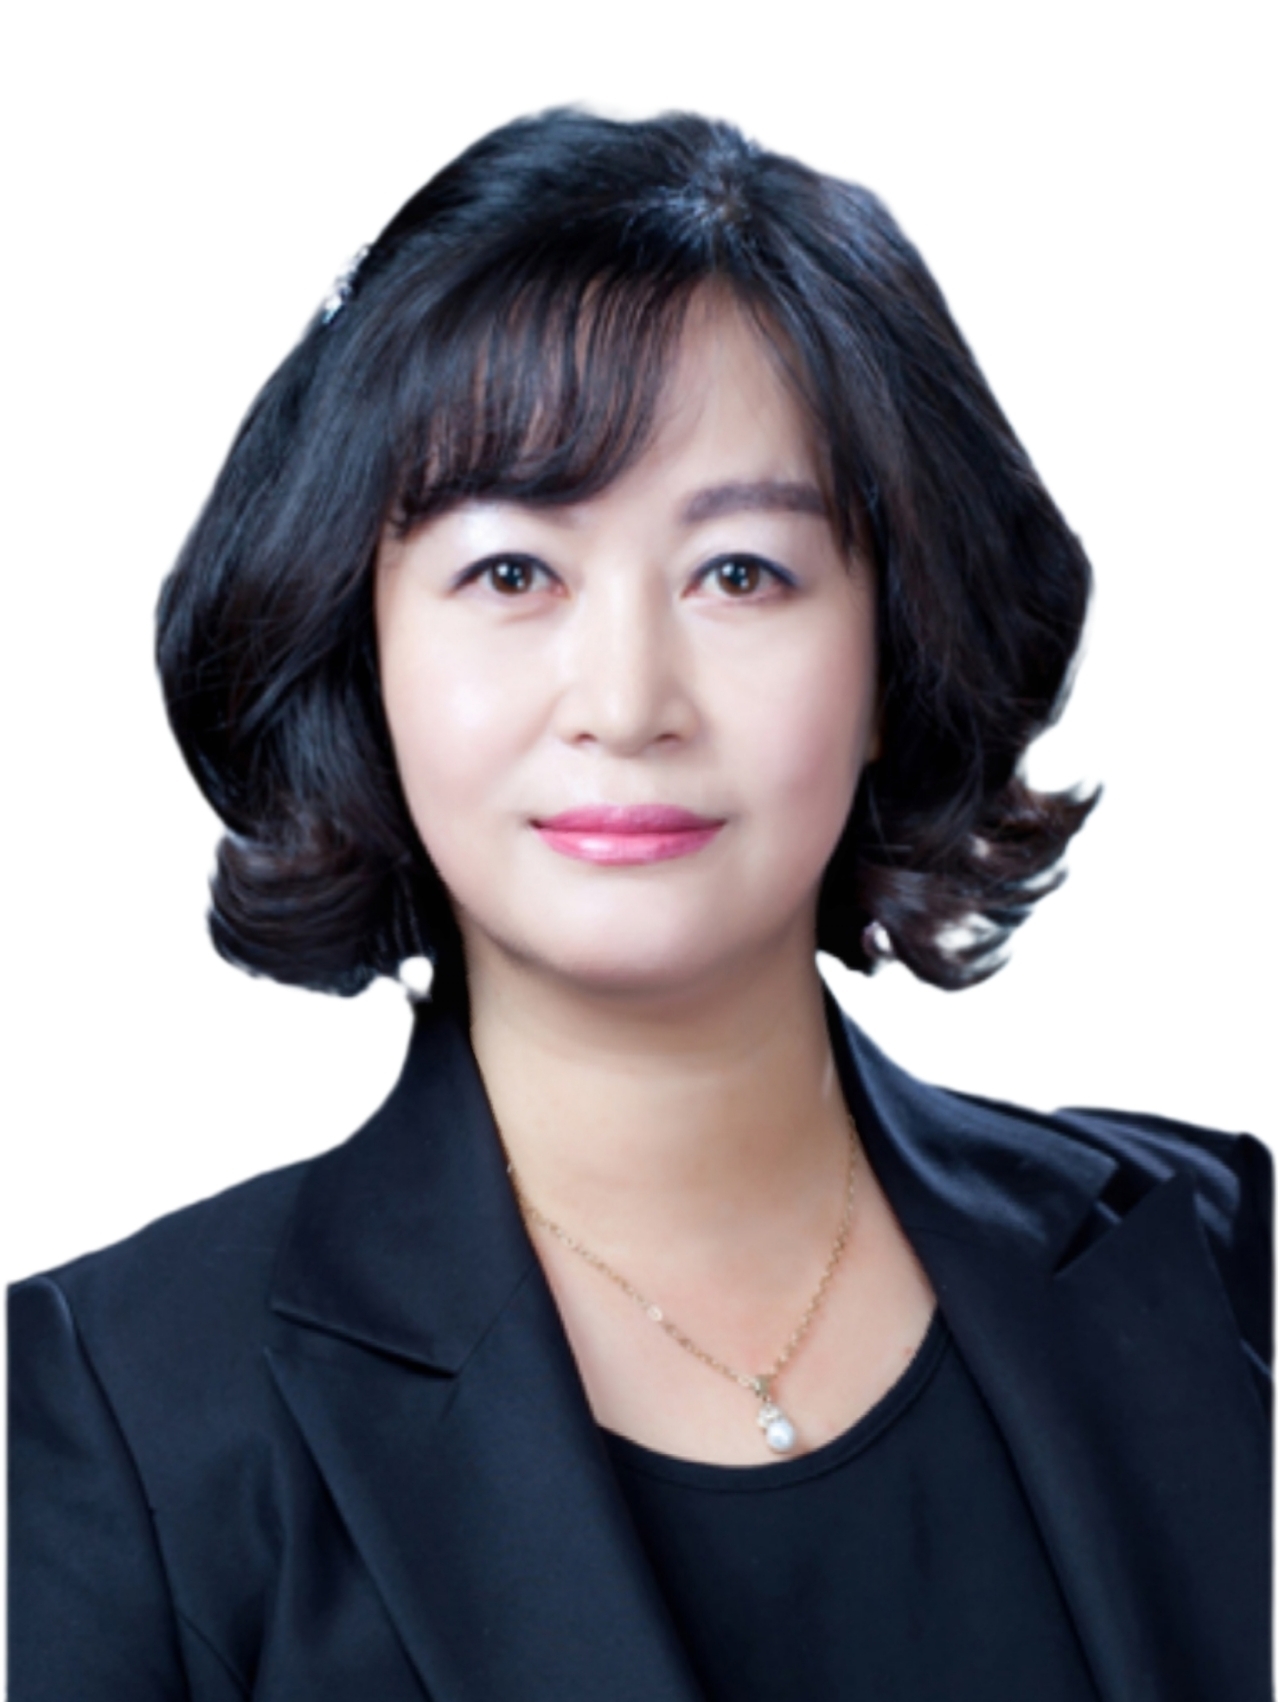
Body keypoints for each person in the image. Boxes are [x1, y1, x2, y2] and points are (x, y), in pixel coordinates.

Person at [8, 108, 1270, 1702]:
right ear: (361, 646)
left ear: (893, 648)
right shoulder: (114, 1415)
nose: (624, 700)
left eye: (739, 572)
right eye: (510, 573)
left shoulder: (1220, 1261)